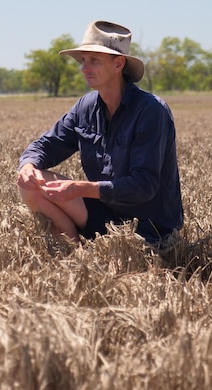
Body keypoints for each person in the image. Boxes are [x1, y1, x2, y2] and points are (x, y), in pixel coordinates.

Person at [17, 20, 184, 247]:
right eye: (83, 60)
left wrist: (81, 188)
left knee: (134, 251)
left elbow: (144, 185)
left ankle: (97, 252)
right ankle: (75, 254)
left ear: (118, 64)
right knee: (30, 185)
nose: (85, 68)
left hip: (148, 226)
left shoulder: (151, 111)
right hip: (104, 212)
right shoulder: (85, 107)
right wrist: (28, 166)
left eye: (94, 60)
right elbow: (46, 146)